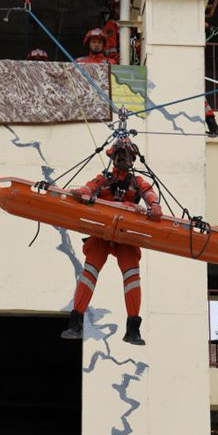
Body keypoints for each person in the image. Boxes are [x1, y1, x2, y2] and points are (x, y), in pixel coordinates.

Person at [61, 138, 162, 345]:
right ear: (114, 158)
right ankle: (75, 323)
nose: (122, 158)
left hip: (126, 234)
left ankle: (133, 329)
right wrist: (82, 193)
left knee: (132, 275)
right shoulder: (104, 179)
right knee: (89, 273)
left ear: (132, 159)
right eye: (119, 155)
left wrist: (154, 205)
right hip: (102, 231)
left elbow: (149, 192)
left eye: (126, 155)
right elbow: (90, 187)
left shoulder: (137, 182)